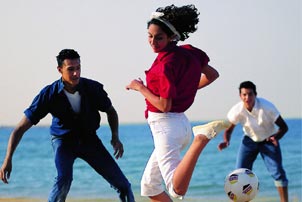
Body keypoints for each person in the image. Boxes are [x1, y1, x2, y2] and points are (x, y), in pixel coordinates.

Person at [0, 49, 135, 202]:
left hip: (90, 140)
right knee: (64, 180)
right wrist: (8, 159)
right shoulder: (49, 94)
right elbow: (19, 129)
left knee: (124, 185)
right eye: (71, 69)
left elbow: (111, 112)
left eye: (78, 68)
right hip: (63, 141)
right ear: (60, 70)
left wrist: (115, 137)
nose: (76, 73)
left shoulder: (92, 88)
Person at [126, 4, 225, 201]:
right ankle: (197, 138)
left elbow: (164, 106)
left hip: (166, 127)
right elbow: (212, 75)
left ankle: (201, 140)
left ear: (171, 36)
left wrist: (139, 87)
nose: (153, 42)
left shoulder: (163, 66)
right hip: (179, 125)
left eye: (159, 37)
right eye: (150, 36)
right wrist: (186, 89)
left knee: (176, 188)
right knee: (149, 186)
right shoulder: (189, 52)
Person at [195, 81, 289, 202]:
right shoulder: (237, 110)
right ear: (240, 96)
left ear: (255, 95)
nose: (247, 97)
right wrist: (226, 141)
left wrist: (276, 137)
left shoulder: (267, 107)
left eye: (250, 94)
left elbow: (284, 127)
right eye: (244, 94)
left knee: (278, 172)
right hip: (249, 140)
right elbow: (229, 130)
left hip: (268, 139)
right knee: (239, 175)